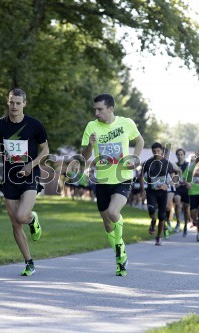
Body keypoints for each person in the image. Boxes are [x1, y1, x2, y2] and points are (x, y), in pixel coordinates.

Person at [81, 93, 144, 276]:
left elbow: (140, 140)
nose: (96, 113)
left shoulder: (126, 123)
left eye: (100, 109)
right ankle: (119, 256)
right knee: (107, 224)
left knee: (113, 212)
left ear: (110, 108)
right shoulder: (91, 127)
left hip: (122, 178)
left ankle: (120, 247)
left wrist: (136, 158)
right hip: (102, 181)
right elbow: (84, 156)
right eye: (95, 109)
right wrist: (90, 146)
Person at [0, 88, 48, 276]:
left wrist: (31, 165)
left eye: (18, 103)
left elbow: (45, 151)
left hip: (29, 175)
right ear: (8, 102)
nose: (14, 106)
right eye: (11, 102)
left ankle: (32, 219)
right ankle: (29, 262)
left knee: (22, 216)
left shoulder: (35, 125)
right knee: (15, 223)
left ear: (24, 103)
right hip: (9, 177)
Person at [140, 142, 181, 246]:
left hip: (163, 193)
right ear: (152, 151)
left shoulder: (167, 164)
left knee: (162, 216)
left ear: (162, 151)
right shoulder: (147, 163)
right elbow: (141, 177)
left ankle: (158, 237)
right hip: (151, 191)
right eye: (154, 151)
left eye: (158, 151)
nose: (156, 153)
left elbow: (174, 178)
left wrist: (168, 184)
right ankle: (153, 222)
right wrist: (142, 190)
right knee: (152, 211)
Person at [173, 148, 190, 233]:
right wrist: (175, 182)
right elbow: (172, 177)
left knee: (186, 208)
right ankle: (178, 222)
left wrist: (185, 182)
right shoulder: (174, 165)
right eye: (178, 154)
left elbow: (190, 176)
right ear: (176, 155)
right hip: (178, 188)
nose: (180, 156)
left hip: (186, 188)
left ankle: (186, 225)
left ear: (184, 155)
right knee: (177, 201)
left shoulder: (188, 165)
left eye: (181, 154)